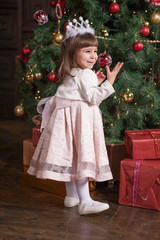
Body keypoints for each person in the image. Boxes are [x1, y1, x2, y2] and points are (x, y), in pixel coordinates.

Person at [27, 17, 124, 215]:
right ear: (73, 52)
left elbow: (77, 92)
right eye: (87, 51)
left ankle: (71, 197)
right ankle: (85, 202)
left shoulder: (69, 71)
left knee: (71, 158)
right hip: (81, 122)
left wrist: (94, 82)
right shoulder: (85, 74)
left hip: (65, 121)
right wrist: (109, 83)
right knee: (82, 157)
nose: (93, 56)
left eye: (95, 51)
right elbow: (92, 98)